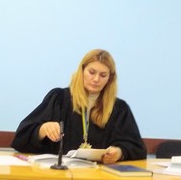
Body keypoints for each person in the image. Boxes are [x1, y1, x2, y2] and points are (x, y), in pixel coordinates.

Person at [12, 49, 147, 164]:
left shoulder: (119, 108)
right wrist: (42, 129)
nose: (96, 79)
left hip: (99, 177)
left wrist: (119, 152)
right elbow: (20, 140)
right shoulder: (59, 99)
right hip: (59, 174)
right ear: (82, 71)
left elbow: (137, 148)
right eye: (91, 72)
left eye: (103, 75)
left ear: (110, 79)